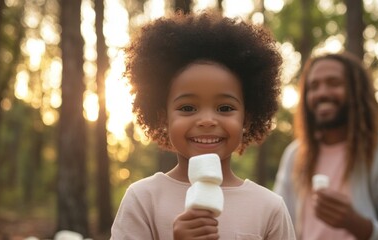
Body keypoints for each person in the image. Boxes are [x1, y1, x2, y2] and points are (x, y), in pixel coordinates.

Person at [111, 12, 296, 240]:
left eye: (225, 108)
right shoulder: (143, 199)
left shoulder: (269, 208)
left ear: (246, 120)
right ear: (163, 119)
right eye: (188, 108)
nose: (207, 120)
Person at [273, 52, 378, 240]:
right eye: (313, 86)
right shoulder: (295, 154)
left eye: (334, 83)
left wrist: (357, 224)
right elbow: (280, 224)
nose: (322, 93)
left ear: (357, 91)